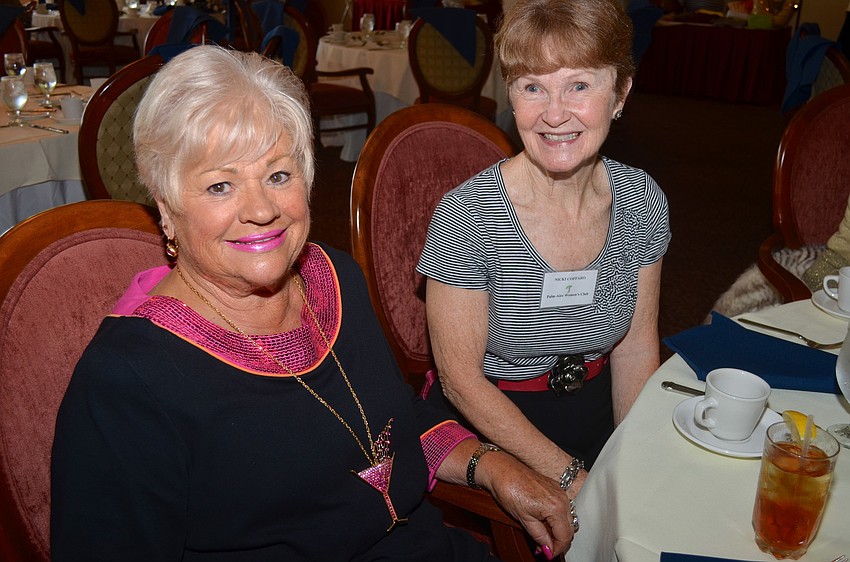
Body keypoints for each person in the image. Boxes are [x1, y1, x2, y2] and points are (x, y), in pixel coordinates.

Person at [50, 46, 576, 561]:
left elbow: (393, 419)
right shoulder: (127, 382)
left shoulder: (334, 278)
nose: (260, 210)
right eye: (219, 186)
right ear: (166, 209)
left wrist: (493, 466)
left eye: (279, 175)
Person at [417, 0, 670, 498]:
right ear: (511, 95)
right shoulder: (465, 216)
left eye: (579, 85)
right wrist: (575, 479)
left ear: (621, 92)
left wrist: (634, 456)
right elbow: (462, 382)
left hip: (598, 410)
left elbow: (637, 346)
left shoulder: (642, 203)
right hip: (493, 425)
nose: (555, 115)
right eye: (533, 87)